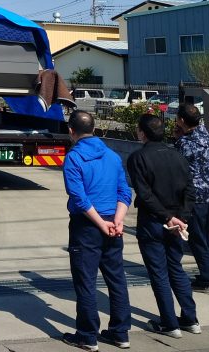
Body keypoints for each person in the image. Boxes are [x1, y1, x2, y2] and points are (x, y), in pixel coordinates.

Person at [61, 110, 133, 351]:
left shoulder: (74, 158)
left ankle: (87, 335)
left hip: (87, 226)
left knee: (86, 282)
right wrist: (118, 221)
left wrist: (101, 224)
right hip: (113, 223)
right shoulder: (112, 156)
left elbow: (79, 198)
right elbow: (124, 192)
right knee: (117, 279)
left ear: (71, 131)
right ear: (94, 129)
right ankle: (120, 332)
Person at [127, 113, 200, 339]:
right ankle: (190, 319)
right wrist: (182, 218)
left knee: (159, 273)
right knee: (175, 268)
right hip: (177, 222)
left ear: (142, 133)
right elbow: (190, 190)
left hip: (153, 221)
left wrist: (167, 218)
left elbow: (145, 194)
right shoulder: (178, 156)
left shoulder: (138, 158)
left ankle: (170, 323)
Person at [174, 103, 209, 294]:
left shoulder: (184, 144)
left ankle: (207, 280)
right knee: (207, 237)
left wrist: (178, 139)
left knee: (197, 240)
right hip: (208, 194)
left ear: (181, 120)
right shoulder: (205, 136)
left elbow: (178, 162)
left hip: (193, 197)